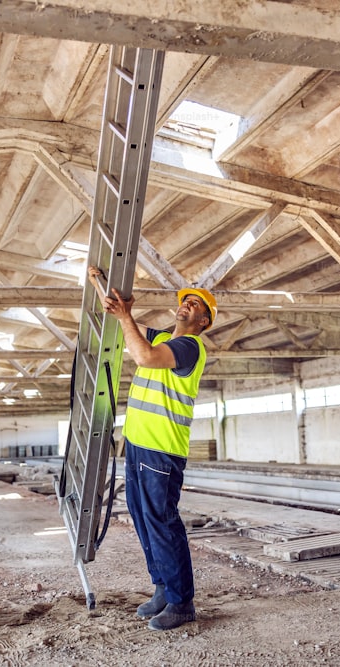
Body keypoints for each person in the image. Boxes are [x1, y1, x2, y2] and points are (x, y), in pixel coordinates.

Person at [87, 266, 217, 631]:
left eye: (195, 305)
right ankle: (162, 588)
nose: (186, 305)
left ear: (203, 320)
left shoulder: (189, 347)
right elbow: (121, 325)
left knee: (162, 522)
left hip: (162, 450)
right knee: (144, 521)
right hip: (139, 446)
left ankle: (181, 602)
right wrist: (101, 284)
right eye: (185, 301)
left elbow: (143, 356)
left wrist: (127, 316)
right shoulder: (162, 337)